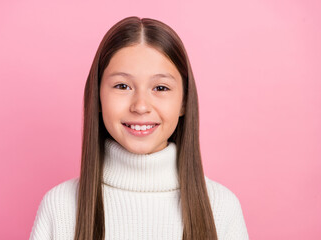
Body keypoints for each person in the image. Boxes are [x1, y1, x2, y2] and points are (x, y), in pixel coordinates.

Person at [29, 16, 249, 240]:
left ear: (184, 101)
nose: (141, 106)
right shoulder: (60, 207)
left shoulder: (221, 208)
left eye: (161, 87)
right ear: (98, 97)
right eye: (122, 86)